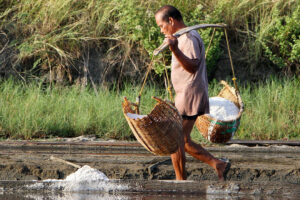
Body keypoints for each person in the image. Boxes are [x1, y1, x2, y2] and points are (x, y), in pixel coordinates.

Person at [155, 5, 231, 180]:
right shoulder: (181, 37)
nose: (161, 30)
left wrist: (174, 49)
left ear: (171, 21)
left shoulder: (187, 38)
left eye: (161, 26)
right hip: (186, 94)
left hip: (189, 95)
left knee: (175, 140)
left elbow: (193, 66)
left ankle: (180, 182)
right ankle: (218, 164)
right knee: (184, 140)